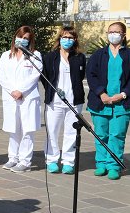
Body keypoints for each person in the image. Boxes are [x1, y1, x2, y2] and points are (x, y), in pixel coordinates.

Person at [86, 22, 130, 180]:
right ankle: (102, 164)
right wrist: (101, 93)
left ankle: (114, 165)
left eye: (117, 32)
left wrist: (123, 94)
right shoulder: (99, 54)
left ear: (123, 35)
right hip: (100, 102)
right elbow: (91, 75)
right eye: (110, 32)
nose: (113, 35)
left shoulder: (128, 55)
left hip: (122, 104)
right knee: (101, 134)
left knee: (117, 135)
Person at [42, 26, 86, 175]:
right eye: (64, 37)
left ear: (75, 40)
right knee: (52, 131)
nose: (67, 40)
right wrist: (52, 91)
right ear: (59, 39)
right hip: (55, 101)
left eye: (71, 37)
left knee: (71, 132)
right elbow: (45, 77)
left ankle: (68, 162)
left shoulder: (79, 57)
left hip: (74, 101)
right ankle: (52, 160)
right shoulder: (50, 57)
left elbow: (80, 78)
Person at [0, 26, 42, 173]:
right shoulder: (5, 55)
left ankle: (25, 161)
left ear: (30, 41)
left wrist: (21, 90)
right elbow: (2, 76)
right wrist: (13, 91)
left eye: (26, 38)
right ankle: (13, 158)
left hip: (27, 97)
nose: (22, 40)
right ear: (15, 37)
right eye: (20, 37)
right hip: (11, 97)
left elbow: (35, 75)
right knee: (13, 128)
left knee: (27, 130)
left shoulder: (35, 55)